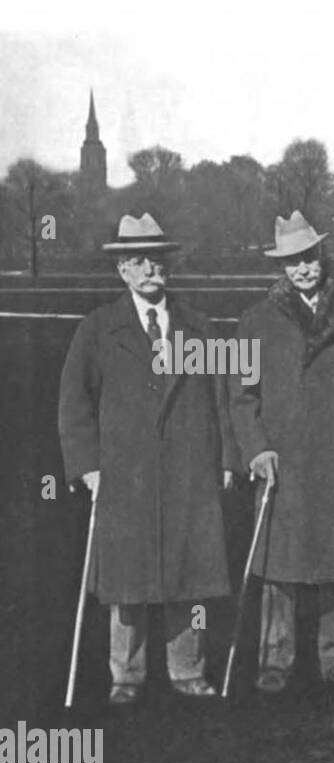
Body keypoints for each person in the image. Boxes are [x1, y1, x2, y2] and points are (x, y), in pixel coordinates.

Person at [58, 213, 235, 705]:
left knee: (189, 575)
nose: (150, 270)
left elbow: (223, 397)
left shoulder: (200, 327)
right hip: (125, 473)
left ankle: (188, 670)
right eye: (138, 262)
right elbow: (74, 403)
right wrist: (86, 464)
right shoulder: (97, 329)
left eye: (157, 260)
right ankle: (127, 675)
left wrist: (227, 457)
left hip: (188, 469)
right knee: (127, 580)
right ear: (122, 271)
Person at [230, 211, 334, 693]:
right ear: (282, 268)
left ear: (322, 257)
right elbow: (240, 395)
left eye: (309, 258)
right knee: (280, 565)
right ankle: (276, 660)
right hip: (283, 462)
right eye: (292, 262)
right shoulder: (254, 321)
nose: (303, 269)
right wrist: (256, 450)